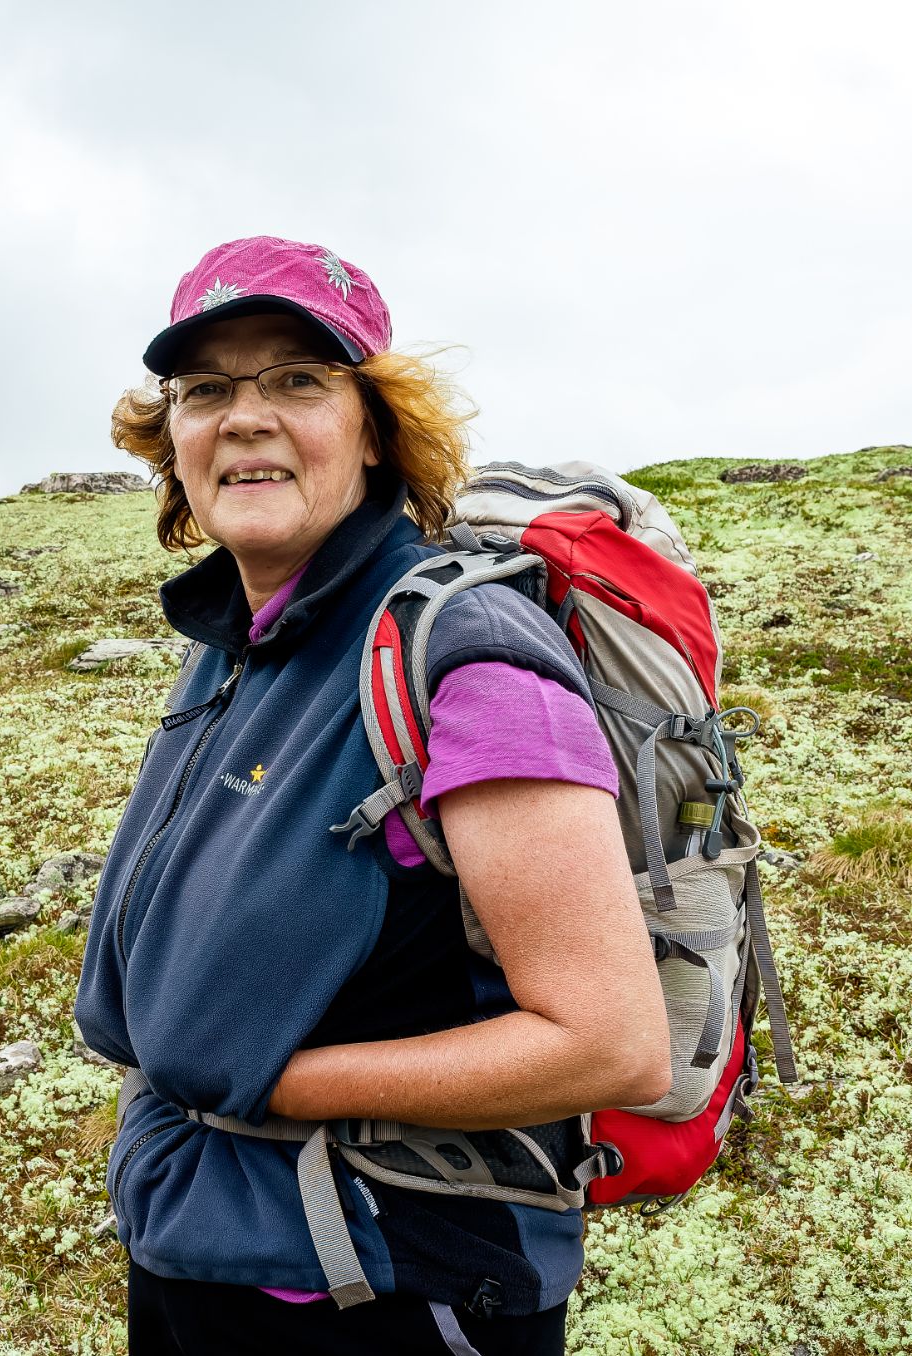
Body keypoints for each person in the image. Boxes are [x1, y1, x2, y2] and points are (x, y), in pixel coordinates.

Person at [75, 236, 671, 1355]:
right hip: (202, 1246)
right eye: (204, 389)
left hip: (382, 1292)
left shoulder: (465, 650)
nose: (244, 417)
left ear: (376, 428)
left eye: (298, 379)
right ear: (174, 440)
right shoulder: (239, 639)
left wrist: (268, 1083)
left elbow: (609, 1045)